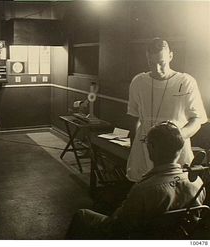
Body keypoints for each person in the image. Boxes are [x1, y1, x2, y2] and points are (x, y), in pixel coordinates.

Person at [66, 121, 206, 239]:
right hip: (177, 236)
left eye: (146, 142)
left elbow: (119, 226)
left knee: (82, 215)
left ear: (151, 147)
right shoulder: (197, 182)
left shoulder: (145, 189)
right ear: (180, 148)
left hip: (140, 237)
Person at [127, 37, 207, 182]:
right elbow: (134, 117)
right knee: (145, 193)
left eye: (161, 63)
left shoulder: (185, 82)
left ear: (170, 56)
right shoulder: (138, 82)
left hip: (176, 152)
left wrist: (175, 138)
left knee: (175, 194)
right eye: (152, 63)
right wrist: (136, 143)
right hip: (145, 149)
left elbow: (197, 119)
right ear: (147, 58)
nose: (157, 69)